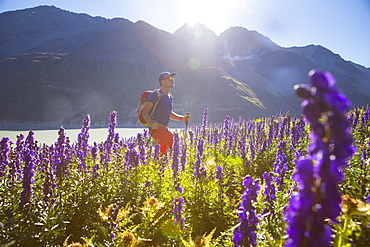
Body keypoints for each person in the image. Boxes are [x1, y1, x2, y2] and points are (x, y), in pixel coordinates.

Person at [141, 71, 190, 155]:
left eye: (172, 78)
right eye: (169, 78)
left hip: (164, 128)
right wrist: (152, 124)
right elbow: (144, 111)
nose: (172, 80)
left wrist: (182, 118)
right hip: (156, 128)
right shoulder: (156, 94)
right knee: (175, 143)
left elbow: (169, 113)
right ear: (162, 81)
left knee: (162, 154)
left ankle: (160, 165)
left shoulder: (170, 97)